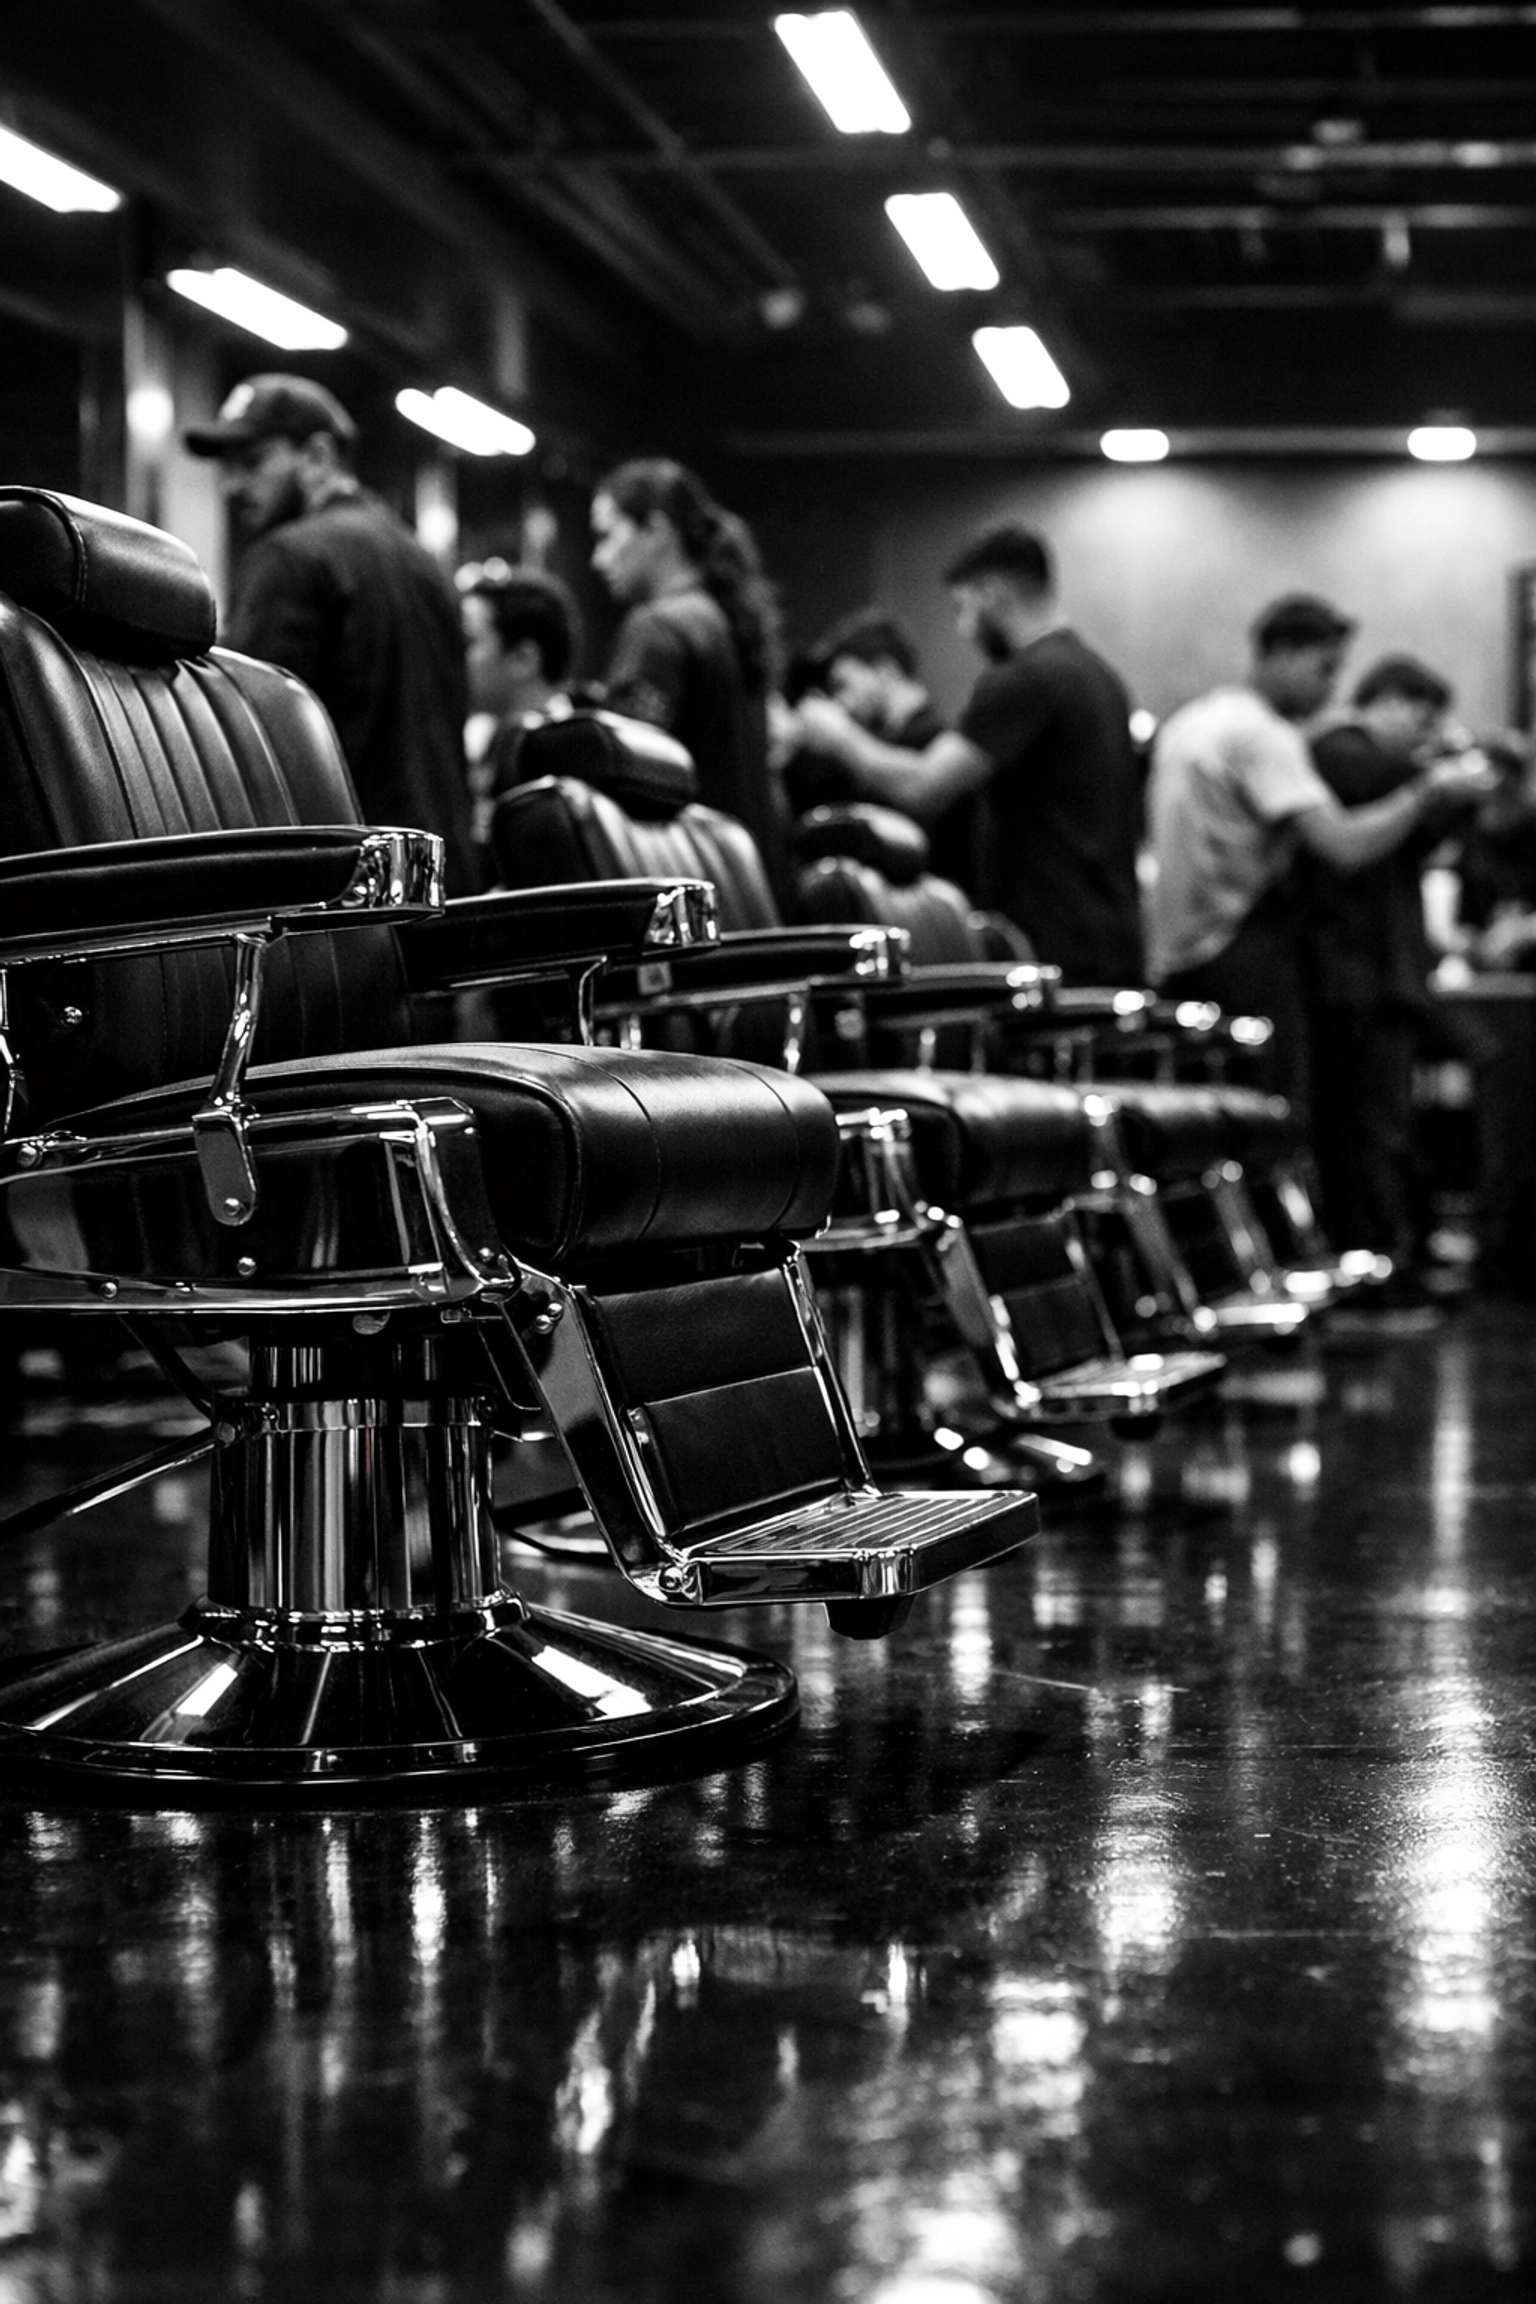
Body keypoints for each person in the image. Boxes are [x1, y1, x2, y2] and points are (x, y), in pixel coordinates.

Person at [1147, 595, 1494, 1115]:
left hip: (1180, 956)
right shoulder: (1262, 734)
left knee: (1206, 1122)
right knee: (1272, 1125)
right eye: (1324, 668)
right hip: (1240, 953)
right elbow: (1343, 847)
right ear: (1283, 653)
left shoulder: (1193, 720)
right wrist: (1429, 791)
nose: (1332, 688)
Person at [791, 523, 1144, 983]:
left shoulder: (1027, 677)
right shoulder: (1101, 677)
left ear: (992, 593)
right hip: (1113, 937)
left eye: (963, 607)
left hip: (1052, 946)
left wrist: (837, 736)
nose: (962, 627)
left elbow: (924, 786)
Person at [184, 373, 475, 891]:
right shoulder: (424, 563)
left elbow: (241, 736)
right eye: (227, 468)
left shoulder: (291, 557)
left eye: (252, 464)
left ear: (317, 456)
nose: (232, 486)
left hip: (350, 887)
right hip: (440, 876)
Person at [1301, 653, 1467, 1270]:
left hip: (1381, 977)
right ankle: (1371, 1265)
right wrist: (1433, 780)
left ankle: (1392, 1256)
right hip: (1355, 978)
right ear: (1388, 702)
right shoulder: (1341, 752)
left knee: (1387, 1128)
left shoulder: (1382, 775)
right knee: (1366, 1131)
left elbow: (1416, 840)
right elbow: (1369, 805)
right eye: (1419, 722)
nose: (1425, 740)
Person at [589, 458, 788, 898]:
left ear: (657, 531)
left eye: (607, 535)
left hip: (693, 903)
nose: (597, 558)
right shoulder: (729, 623)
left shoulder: (659, 628)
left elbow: (623, 782)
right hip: (750, 890)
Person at [792, 607, 983, 889]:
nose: (842, 702)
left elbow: (915, 793)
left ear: (885, 672)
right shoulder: (883, 742)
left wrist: (838, 735)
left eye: (844, 684)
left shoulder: (932, 741)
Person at [459, 563, 581, 861]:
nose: (453, 657)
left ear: (523, 659)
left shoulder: (556, 756)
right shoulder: (497, 739)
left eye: (468, 643)